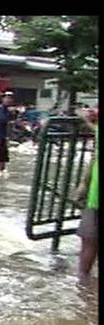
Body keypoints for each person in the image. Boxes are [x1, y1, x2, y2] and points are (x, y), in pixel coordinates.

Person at [74, 110, 98, 285]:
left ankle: (83, 285)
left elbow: (93, 160)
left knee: (89, 241)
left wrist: (83, 185)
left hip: (96, 198)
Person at [0, 92, 15, 177]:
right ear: (3, 99)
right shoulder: (0, 109)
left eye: (10, 98)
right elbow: (3, 119)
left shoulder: (7, 110)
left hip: (3, 136)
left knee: (4, 156)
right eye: (7, 98)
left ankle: (1, 173)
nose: (9, 100)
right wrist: (10, 114)